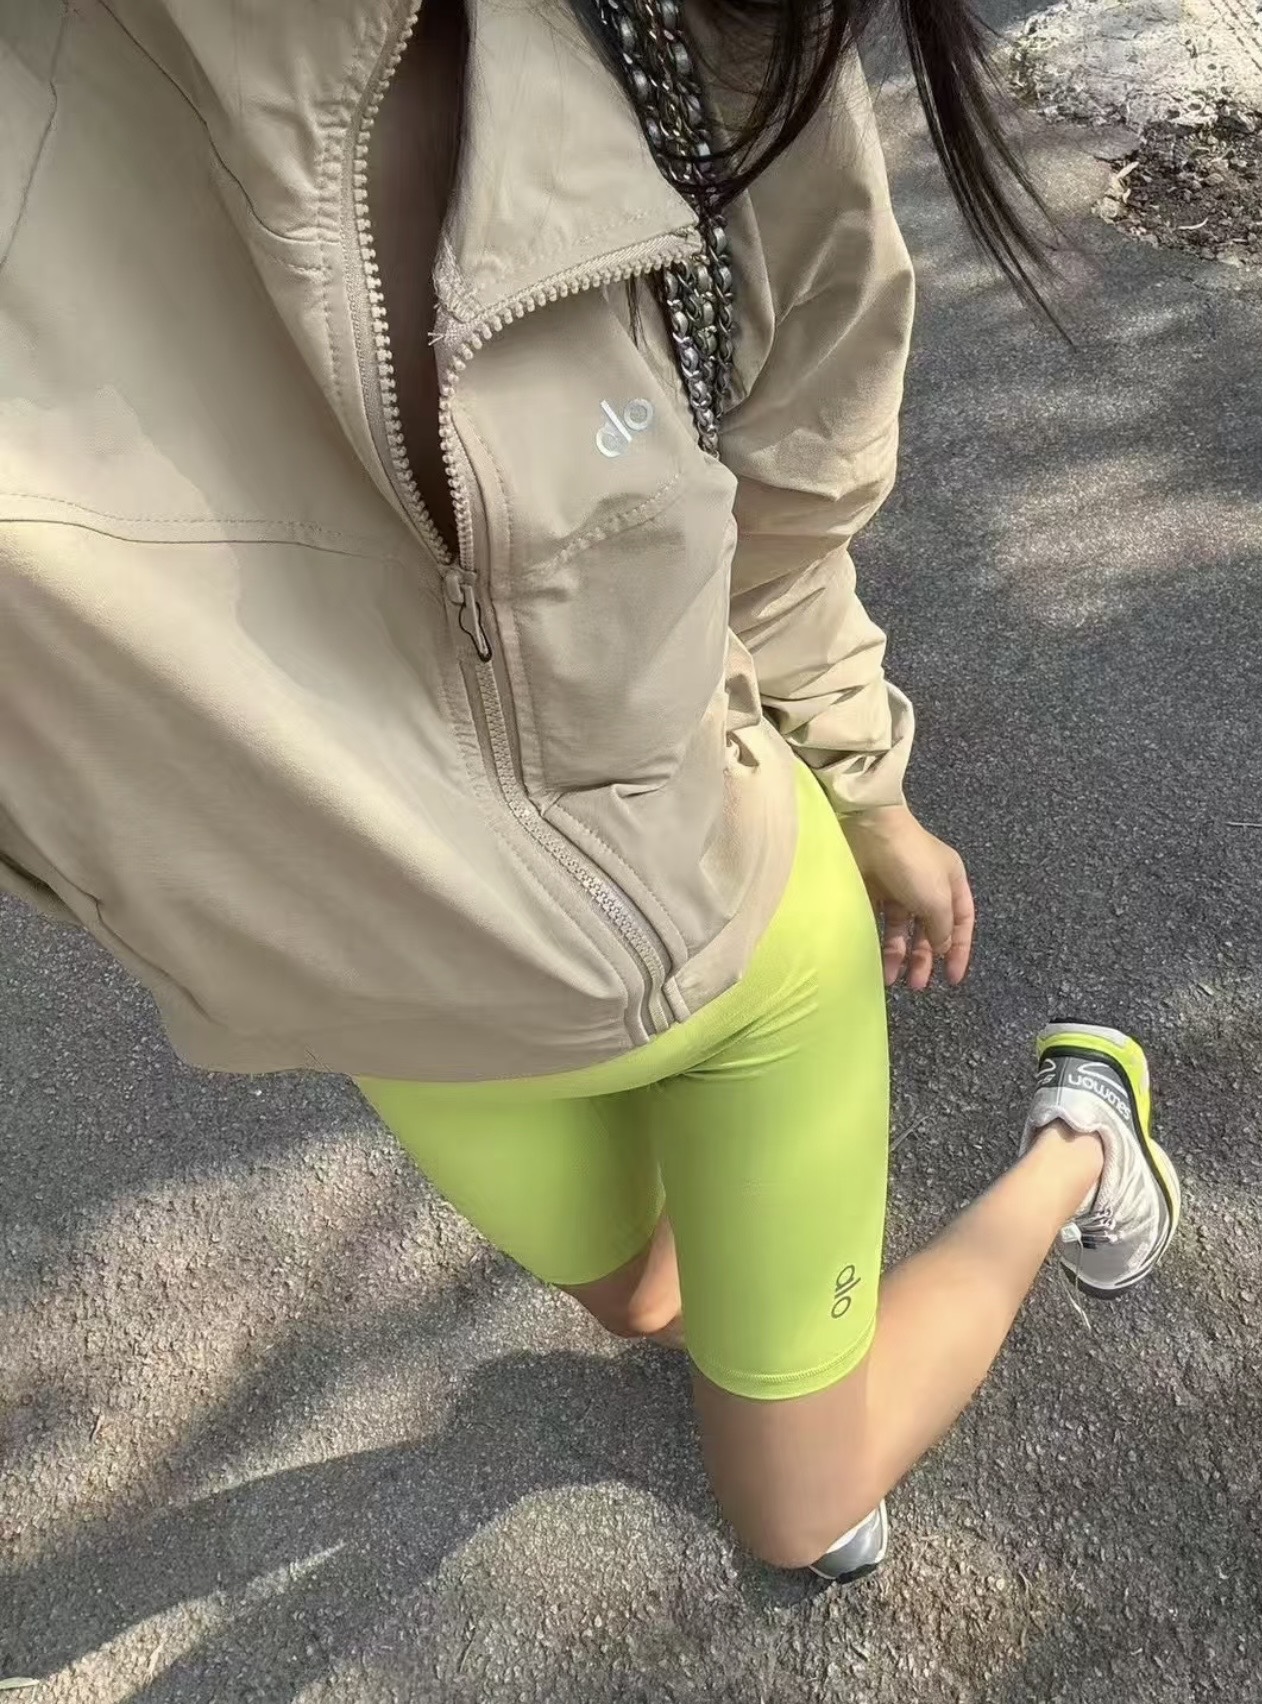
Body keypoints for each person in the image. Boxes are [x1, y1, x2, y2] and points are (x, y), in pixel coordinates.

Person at [0, 0, 1179, 1581]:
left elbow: (788, 501)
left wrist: (868, 792)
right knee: (644, 1302)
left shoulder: (688, 33)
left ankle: (1084, 1142)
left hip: (729, 947)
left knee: (804, 1517)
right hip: (377, 993)